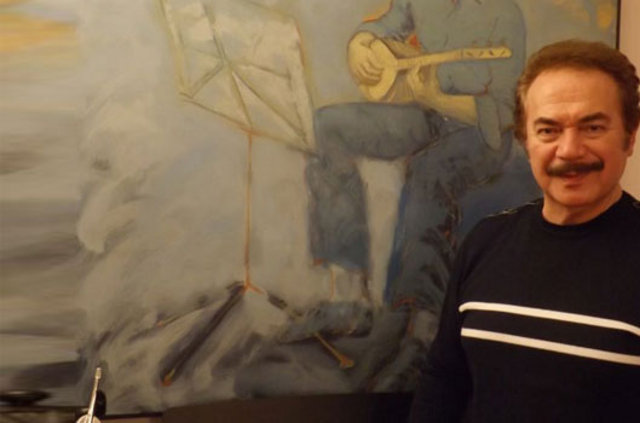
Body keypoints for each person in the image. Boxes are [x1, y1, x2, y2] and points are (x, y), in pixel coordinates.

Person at [410, 39, 640, 422]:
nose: (569, 150)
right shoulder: (486, 241)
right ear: (525, 140)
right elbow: (443, 382)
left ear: (629, 136)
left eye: (593, 127)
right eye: (548, 130)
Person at [306, 0, 527, 318]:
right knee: (329, 126)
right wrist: (361, 43)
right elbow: (385, 25)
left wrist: (433, 95)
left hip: (483, 132)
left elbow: (506, 114)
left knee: (428, 169)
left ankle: (416, 312)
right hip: (429, 115)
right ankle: (348, 286)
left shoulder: (504, 14)